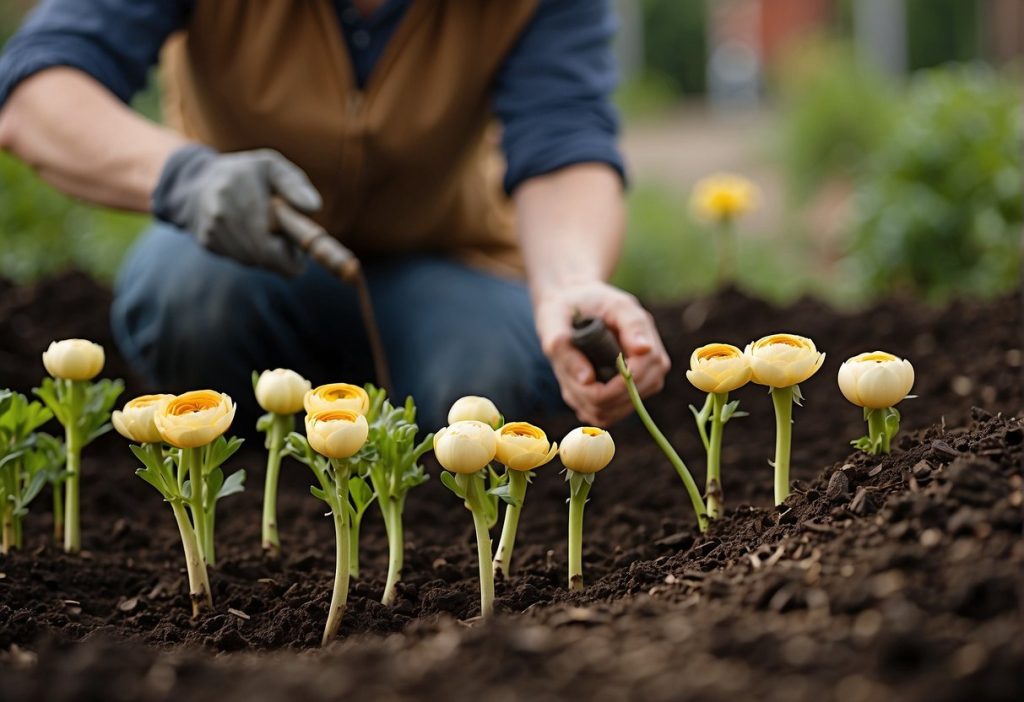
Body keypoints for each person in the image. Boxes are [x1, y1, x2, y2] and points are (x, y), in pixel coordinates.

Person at [0, 0, 670, 429]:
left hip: (446, 261)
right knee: (192, 299)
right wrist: (186, 178)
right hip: (247, 254)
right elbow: (39, 91)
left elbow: (563, 141)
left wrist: (568, 283)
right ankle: (254, 485)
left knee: (486, 386)